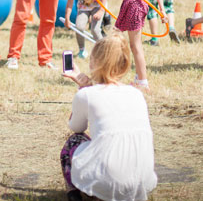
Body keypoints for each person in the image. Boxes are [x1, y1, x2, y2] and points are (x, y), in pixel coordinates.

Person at [60, 32, 157, 201]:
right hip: (141, 181)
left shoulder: (87, 95)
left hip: (108, 179)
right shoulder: (136, 94)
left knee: (74, 141)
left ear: (94, 63)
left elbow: (76, 127)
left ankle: (75, 193)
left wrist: (83, 88)